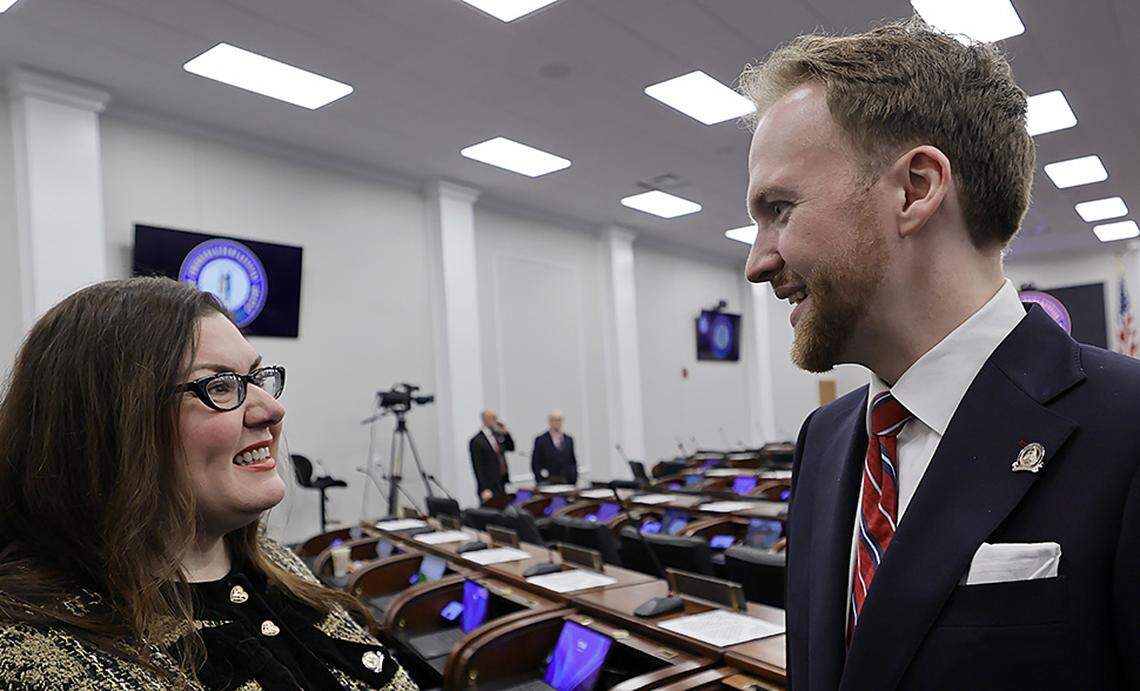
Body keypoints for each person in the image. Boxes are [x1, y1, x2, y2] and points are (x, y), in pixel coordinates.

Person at [739, 18, 1139, 691]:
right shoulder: (828, 438)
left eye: (779, 208)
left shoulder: (1127, 426)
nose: (757, 261)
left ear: (915, 188)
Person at [0, 277, 416, 690]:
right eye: (219, 386)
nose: (271, 409)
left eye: (256, 378)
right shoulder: (43, 661)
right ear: (105, 429)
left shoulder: (277, 563)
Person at [469, 409, 514, 503]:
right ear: (485, 420)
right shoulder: (477, 441)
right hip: (489, 485)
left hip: (501, 482)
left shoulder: (497, 436)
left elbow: (511, 447)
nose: (496, 420)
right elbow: (477, 467)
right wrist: (484, 488)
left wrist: (506, 433)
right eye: (493, 418)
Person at [531, 410, 578, 485]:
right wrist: (540, 480)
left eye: (559, 420)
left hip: (566, 481)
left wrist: (573, 478)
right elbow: (535, 462)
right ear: (549, 422)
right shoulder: (541, 440)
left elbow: (572, 461)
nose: (557, 423)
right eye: (554, 420)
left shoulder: (569, 440)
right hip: (548, 480)